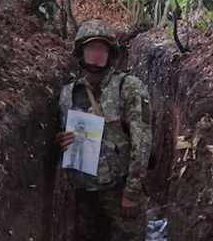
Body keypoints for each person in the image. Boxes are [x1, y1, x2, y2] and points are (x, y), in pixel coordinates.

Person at [56, 19, 152, 241]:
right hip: (83, 194)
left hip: (119, 191)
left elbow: (143, 141)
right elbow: (64, 136)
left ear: (111, 54)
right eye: (91, 48)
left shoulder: (128, 87)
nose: (97, 54)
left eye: (102, 48)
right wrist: (61, 139)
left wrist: (132, 192)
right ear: (81, 52)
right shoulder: (69, 92)